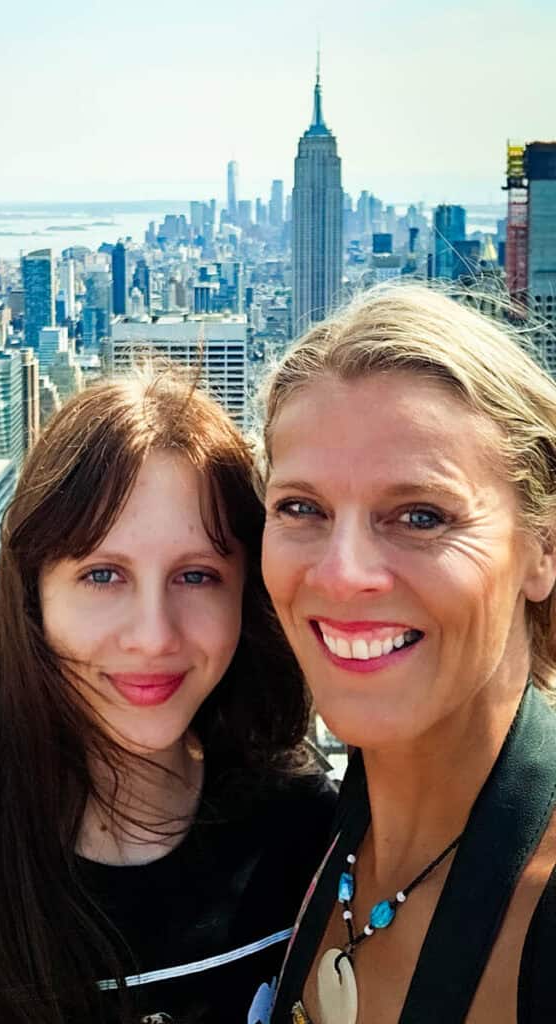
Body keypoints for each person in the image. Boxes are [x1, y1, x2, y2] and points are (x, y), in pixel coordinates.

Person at [0, 371, 336, 1024]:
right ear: (34, 597)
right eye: (102, 575)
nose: (153, 635)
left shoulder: (304, 835)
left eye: (197, 575)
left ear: (246, 596)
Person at [259, 285, 556, 1024]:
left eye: (421, 516)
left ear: (543, 548)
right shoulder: (313, 843)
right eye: (301, 508)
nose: (340, 573)